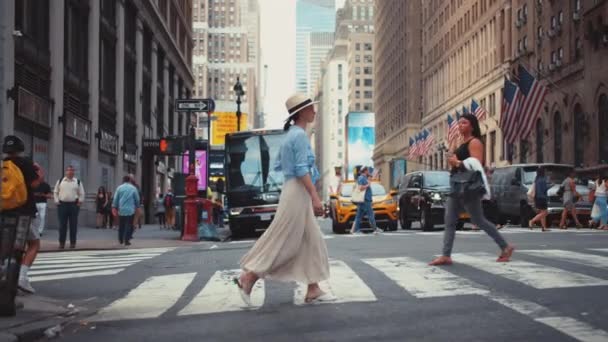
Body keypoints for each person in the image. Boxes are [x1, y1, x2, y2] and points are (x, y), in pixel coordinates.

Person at [234, 94, 333, 306]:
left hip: (295, 190)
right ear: (300, 113)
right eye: (310, 108)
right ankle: (249, 277)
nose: (314, 111)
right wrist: (315, 197)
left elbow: (282, 166)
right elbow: (300, 170)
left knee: (311, 240)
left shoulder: (292, 135)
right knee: (285, 240)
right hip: (297, 192)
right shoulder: (298, 136)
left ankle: (313, 287)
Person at [429, 114, 515, 266]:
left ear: (472, 126)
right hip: (457, 185)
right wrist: (452, 148)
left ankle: (505, 247)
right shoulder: (461, 142)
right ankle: (446, 255)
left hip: (469, 187)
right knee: (449, 220)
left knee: (478, 220)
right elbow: (452, 163)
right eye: (459, 123)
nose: (460, 125)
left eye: (464, 122)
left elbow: (477, 164)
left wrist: (458, 163)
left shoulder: (475, 142)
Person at [1, 136, 42, 294]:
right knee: (33, 244)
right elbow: (35, 184)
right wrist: (39, 172)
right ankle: (22, 278)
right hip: (24, 211)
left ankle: (6, 277)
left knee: (6, 246)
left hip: (4, 210)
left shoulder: (3, 164)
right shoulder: (26, 163)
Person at [53, 165, 85, 249]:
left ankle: (73, 243)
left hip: (73, 205)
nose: (70, 172)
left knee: (73, 225)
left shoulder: (77, 182)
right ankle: (61, 243)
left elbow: (82, 193)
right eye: (69, 170)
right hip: (62, 205)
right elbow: (55, 191)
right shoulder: (60, 181)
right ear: (66, 172)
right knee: (62, 225)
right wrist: (56, 201)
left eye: (72, 170)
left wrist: (79, 202)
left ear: (74, 172)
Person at [351, 166, 382, 235]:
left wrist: (370, 179)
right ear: (365, 171)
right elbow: (360, 188)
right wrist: (367, 185)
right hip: (365, 200)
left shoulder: (363, 178)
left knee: (359, 216)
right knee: (370, 214)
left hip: (364, 200)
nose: (368, 171)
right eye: (367, 170)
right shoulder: (361, 178)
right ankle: (375, 229)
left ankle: (355, 230)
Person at [112, 175, 140, 246]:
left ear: (123, 180)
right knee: (129, 225)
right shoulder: (133, 188)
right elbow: (137, 199)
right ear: (129, 180)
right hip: (130, 210)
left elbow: (116, 198)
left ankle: (120, 239)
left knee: (121, 225)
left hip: (121, 209)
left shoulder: (119, 188)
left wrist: (114, 206)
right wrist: (137, 206)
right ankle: (126, 240)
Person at [528, 167, 550, 232]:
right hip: (542, 197)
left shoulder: (537, 179)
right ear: (543, 172)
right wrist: (551, 185)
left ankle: (543, 227)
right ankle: (532, 221)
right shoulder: (543, 179)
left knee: (542, 212)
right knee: (545, 212)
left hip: (537, 197)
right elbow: (544, 189)